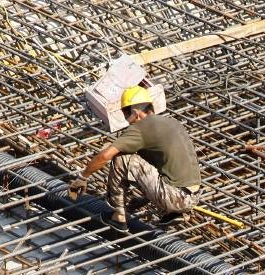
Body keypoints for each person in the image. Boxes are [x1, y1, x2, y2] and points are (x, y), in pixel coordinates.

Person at [71, 86, 201, 230]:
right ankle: (174, 213)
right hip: (193, 197)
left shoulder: (141, 128)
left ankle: (118, 217)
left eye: (126, 115)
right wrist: (144, 199)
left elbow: (105, 155)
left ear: (135, 112)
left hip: (174, 197)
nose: (127, 121)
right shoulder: (172, 123)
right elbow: (165, 168)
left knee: (122, 158)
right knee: (146, 158)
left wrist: (83, 177)